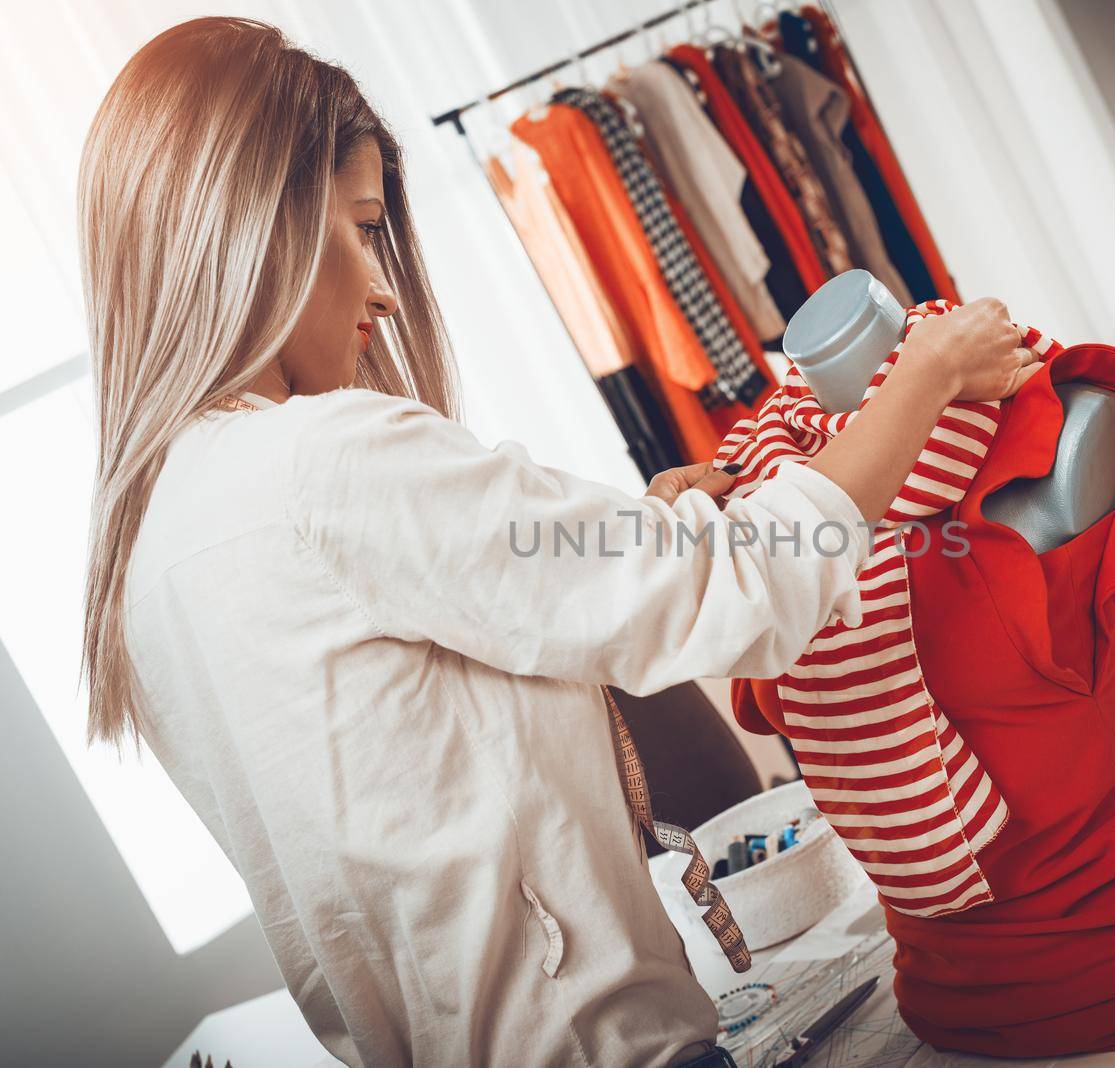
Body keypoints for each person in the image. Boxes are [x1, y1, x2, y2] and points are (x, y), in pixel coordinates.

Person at [77, 17, 1041, 1068]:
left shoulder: (152, 543)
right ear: (249, 222)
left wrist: (671, 524)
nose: (384, 286)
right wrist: (926, 378)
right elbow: (734, 590)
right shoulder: (332, 459)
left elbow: (453, 700)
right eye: (358, 230)